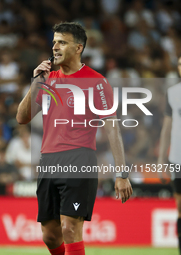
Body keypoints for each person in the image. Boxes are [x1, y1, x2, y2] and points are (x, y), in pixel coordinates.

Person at [16, 22, 133, 255]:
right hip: (48, 160)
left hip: (80, 158)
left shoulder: (96, 82)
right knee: (50, 235)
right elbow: (22, 118)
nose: (55, 47)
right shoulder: (47, 79)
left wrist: (122, 173)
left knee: (70, 229)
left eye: (62, 42)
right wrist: (36, 82)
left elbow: (112, 128)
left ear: (78, 48)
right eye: (54, 42)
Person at [158, 55, 181, 255]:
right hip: (177, 158)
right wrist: (161, 159)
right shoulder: (172, 93)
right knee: (180, 208)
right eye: (180, 64)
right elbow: (167, 127)